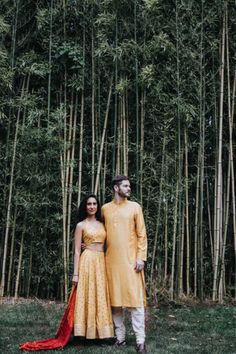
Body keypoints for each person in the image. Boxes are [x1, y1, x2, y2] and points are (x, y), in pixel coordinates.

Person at [102, 176, 147, 353]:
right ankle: (119, 338)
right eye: (125, 186)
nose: (129, 188)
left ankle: (140, 341)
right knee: (115, 302)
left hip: (131, 262)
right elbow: (98, 230)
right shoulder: (105, 209)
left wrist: (141, 258)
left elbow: (142, 234)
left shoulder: (135, 207)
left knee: (135, 302)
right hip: (111, 262)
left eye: (129, 186)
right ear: (116, 188)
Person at [73, 194, 114, 339]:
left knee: (101, 294)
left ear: (98, 206)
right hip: (87, 261)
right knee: (88, 293)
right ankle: (84, 332)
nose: (92, 207)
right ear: (85, 206)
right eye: (89, 204)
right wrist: (75, 274)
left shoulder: (104, 224)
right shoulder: (81, 225)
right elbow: (77, 250)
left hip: (101, 261)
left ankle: (102, 332)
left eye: (94, 204)